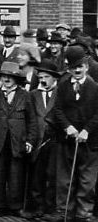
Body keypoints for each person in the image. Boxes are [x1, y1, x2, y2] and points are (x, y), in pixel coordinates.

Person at [0, 61, 37, 219]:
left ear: (16, 79)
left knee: (16, 175)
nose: (6, 79)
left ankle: (16, 207)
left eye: (10, 76)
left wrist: (30, 140)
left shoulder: (25, 95)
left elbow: (32, 120)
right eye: (4, 76)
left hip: (18, 142)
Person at [47, 46, 98, 222]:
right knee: (64, 178)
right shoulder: (62, 85)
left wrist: (86, 130)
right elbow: (58, 109)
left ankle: (84, 212)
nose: (76, 70)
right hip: (66, 140)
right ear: (68, 68)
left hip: (90, 141)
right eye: (72, 67)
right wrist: (67, 127)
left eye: (80, 66)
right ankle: (64, 211)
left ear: (86, 66)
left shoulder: (95, 87)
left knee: (87, 179)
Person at [21, 59, 61, 219]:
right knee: (36, 176)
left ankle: (50, 208)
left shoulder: (61, 93)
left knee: (52, 176)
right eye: (41, 77)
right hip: (37, 142)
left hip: (56, 142)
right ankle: (37, 207)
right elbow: (30, 119)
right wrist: (29, 140)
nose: (43, 80)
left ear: (54, 78)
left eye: (46, 77)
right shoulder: (33, 95)